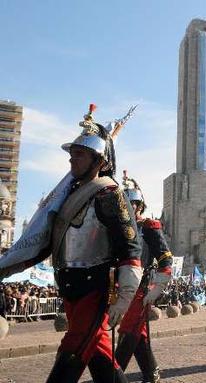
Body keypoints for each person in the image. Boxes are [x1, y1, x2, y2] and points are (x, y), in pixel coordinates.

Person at [41, 104, 143, 382]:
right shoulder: (68, 194)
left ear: (98, 160)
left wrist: (125, 295)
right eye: (72, 154)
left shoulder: (108, 194)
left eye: (79, 154)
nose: (72, 160)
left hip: (94, 287)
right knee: (99, 357)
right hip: (71, 286)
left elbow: (130, 247)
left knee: (73, 350)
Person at [115, 173, 173, 383]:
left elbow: (165, 258)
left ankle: (114, 374)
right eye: (126, 204)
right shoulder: (117, 229)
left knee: (129, 329)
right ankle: (151, 372)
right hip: (121, 287)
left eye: (134, 204)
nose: (131, 207)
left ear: (140, 206)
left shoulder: (148, 227)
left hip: (142, 287)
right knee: (138, 335)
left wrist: (158, 285)